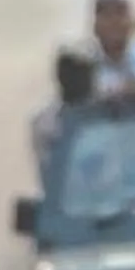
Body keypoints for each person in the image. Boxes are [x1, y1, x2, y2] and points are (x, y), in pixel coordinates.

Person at [31, 47, 100, 184]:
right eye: (74, 74)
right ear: (60, 77)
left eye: (85, 74)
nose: (80, 81)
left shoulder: (109, 115)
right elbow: (51, 169)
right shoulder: (46, 122)